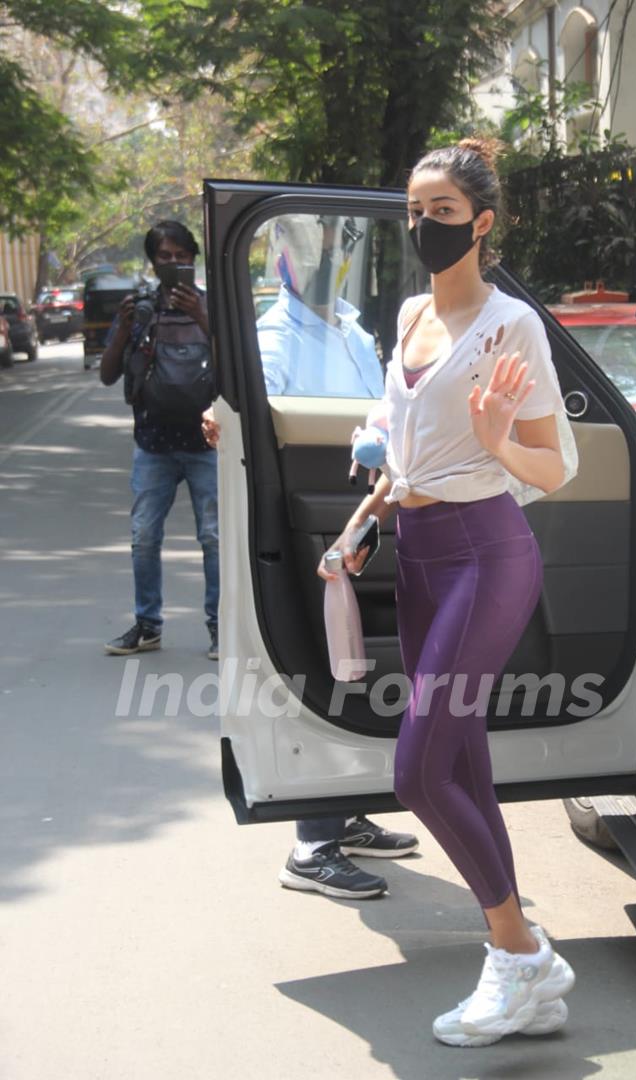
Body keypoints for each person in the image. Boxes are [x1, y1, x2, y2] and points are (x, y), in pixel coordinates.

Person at [317, 139, 577, 1046]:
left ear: (484, 224)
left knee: (417, 768)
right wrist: (361, 520)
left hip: (485, 552)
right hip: (418, 549)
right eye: (415, 211)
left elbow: (553, 465)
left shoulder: (513, 327)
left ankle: (523, 956)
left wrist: (499, 435)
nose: (425, 226)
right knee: (460, 762)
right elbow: (403, 440)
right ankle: (523, 977)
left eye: (443, 212)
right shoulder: (411, 314)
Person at [203, 214, 419, 901]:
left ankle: (344, 811)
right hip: (311, 524)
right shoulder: (271, 337)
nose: (327, 259)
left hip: (361, 513)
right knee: (327, 666)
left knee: (360, 664)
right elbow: (249, 428)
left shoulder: (353, 329)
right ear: (284, 260)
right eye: (311, 247)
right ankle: (312, 845)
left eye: (337, 246)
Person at [101, 220, 219, 660]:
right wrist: (124, 325)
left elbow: (243, 371)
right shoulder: (141, 308)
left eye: (180, 256)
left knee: (214, 538)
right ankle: (147, 625)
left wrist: (203, 318)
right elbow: (109, 374)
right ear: (153, 263)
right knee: (144, 537)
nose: (172, 264)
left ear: (193, 259)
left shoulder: (213, 306)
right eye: (164, 257)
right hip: (153, 444)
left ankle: (220, 627)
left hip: (207, 442)